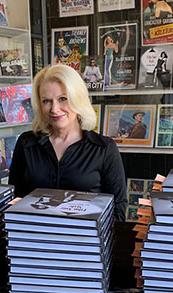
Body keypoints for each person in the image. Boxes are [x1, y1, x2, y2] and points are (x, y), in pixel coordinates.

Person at [8, 64, 127, 221]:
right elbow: (13, 198)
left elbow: (117, 213)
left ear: (78, 99)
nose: (55, 109)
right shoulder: (26, 143)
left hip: (85, 242)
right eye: (46, 101)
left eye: (63, 99)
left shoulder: (104, 149)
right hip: (35, 240)